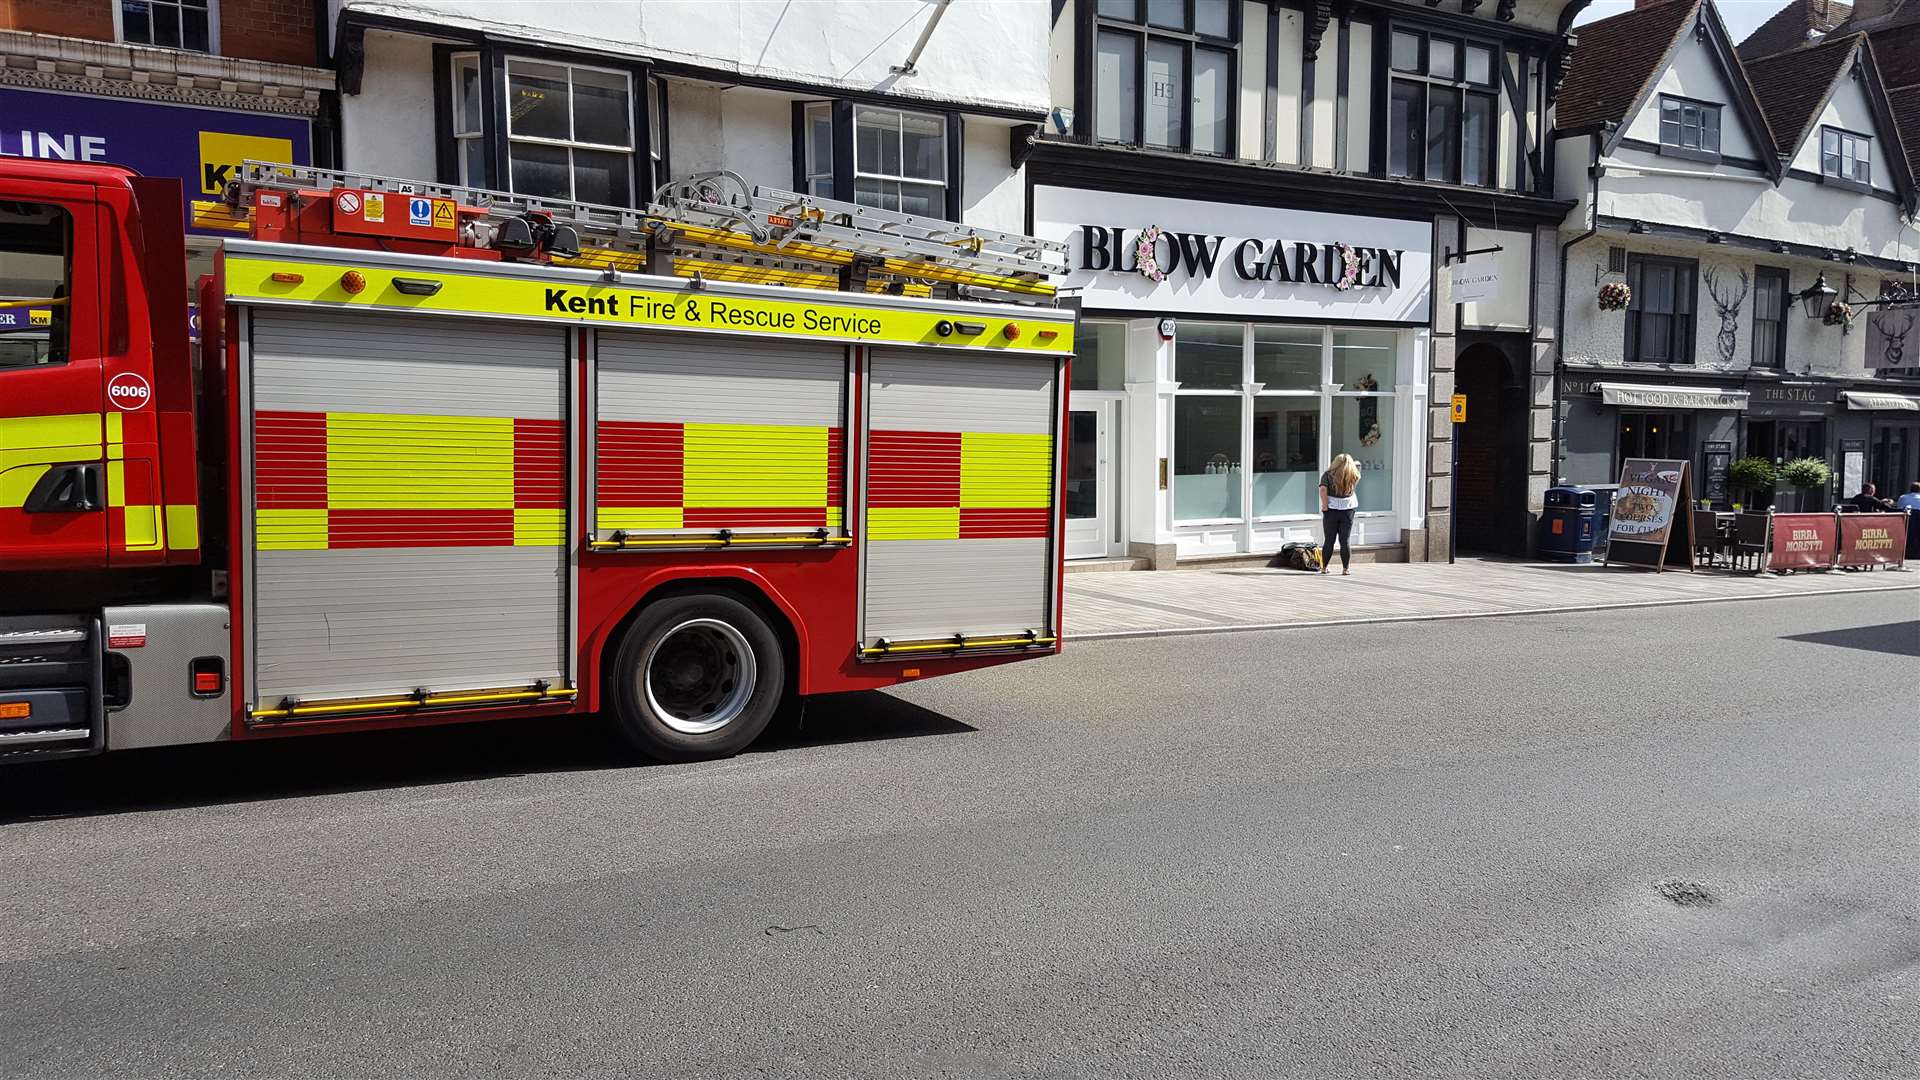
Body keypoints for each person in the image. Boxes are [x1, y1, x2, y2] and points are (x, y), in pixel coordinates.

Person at [1318, 453, 1361, 576]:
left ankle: (1324, 567)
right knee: (1345, 540)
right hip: (1348, 508)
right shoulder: (1354, 474)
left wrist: (1325, 505)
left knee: (1329, 540)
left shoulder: (1327, 475)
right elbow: (1358, 464)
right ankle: (1345, 569)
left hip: (1331, 509)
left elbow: (1323, 490)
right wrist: (1353, 463)